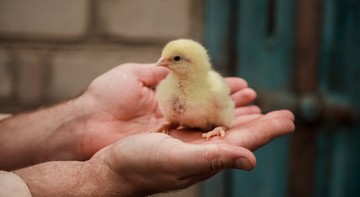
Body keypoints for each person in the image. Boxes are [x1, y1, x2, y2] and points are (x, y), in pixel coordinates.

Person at [0, 63, 295, 197]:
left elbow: (223, 107)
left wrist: (82, 117)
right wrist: (106, 177)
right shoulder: (169, 88)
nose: (163, 64)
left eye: (174, 59)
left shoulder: (209, 86)